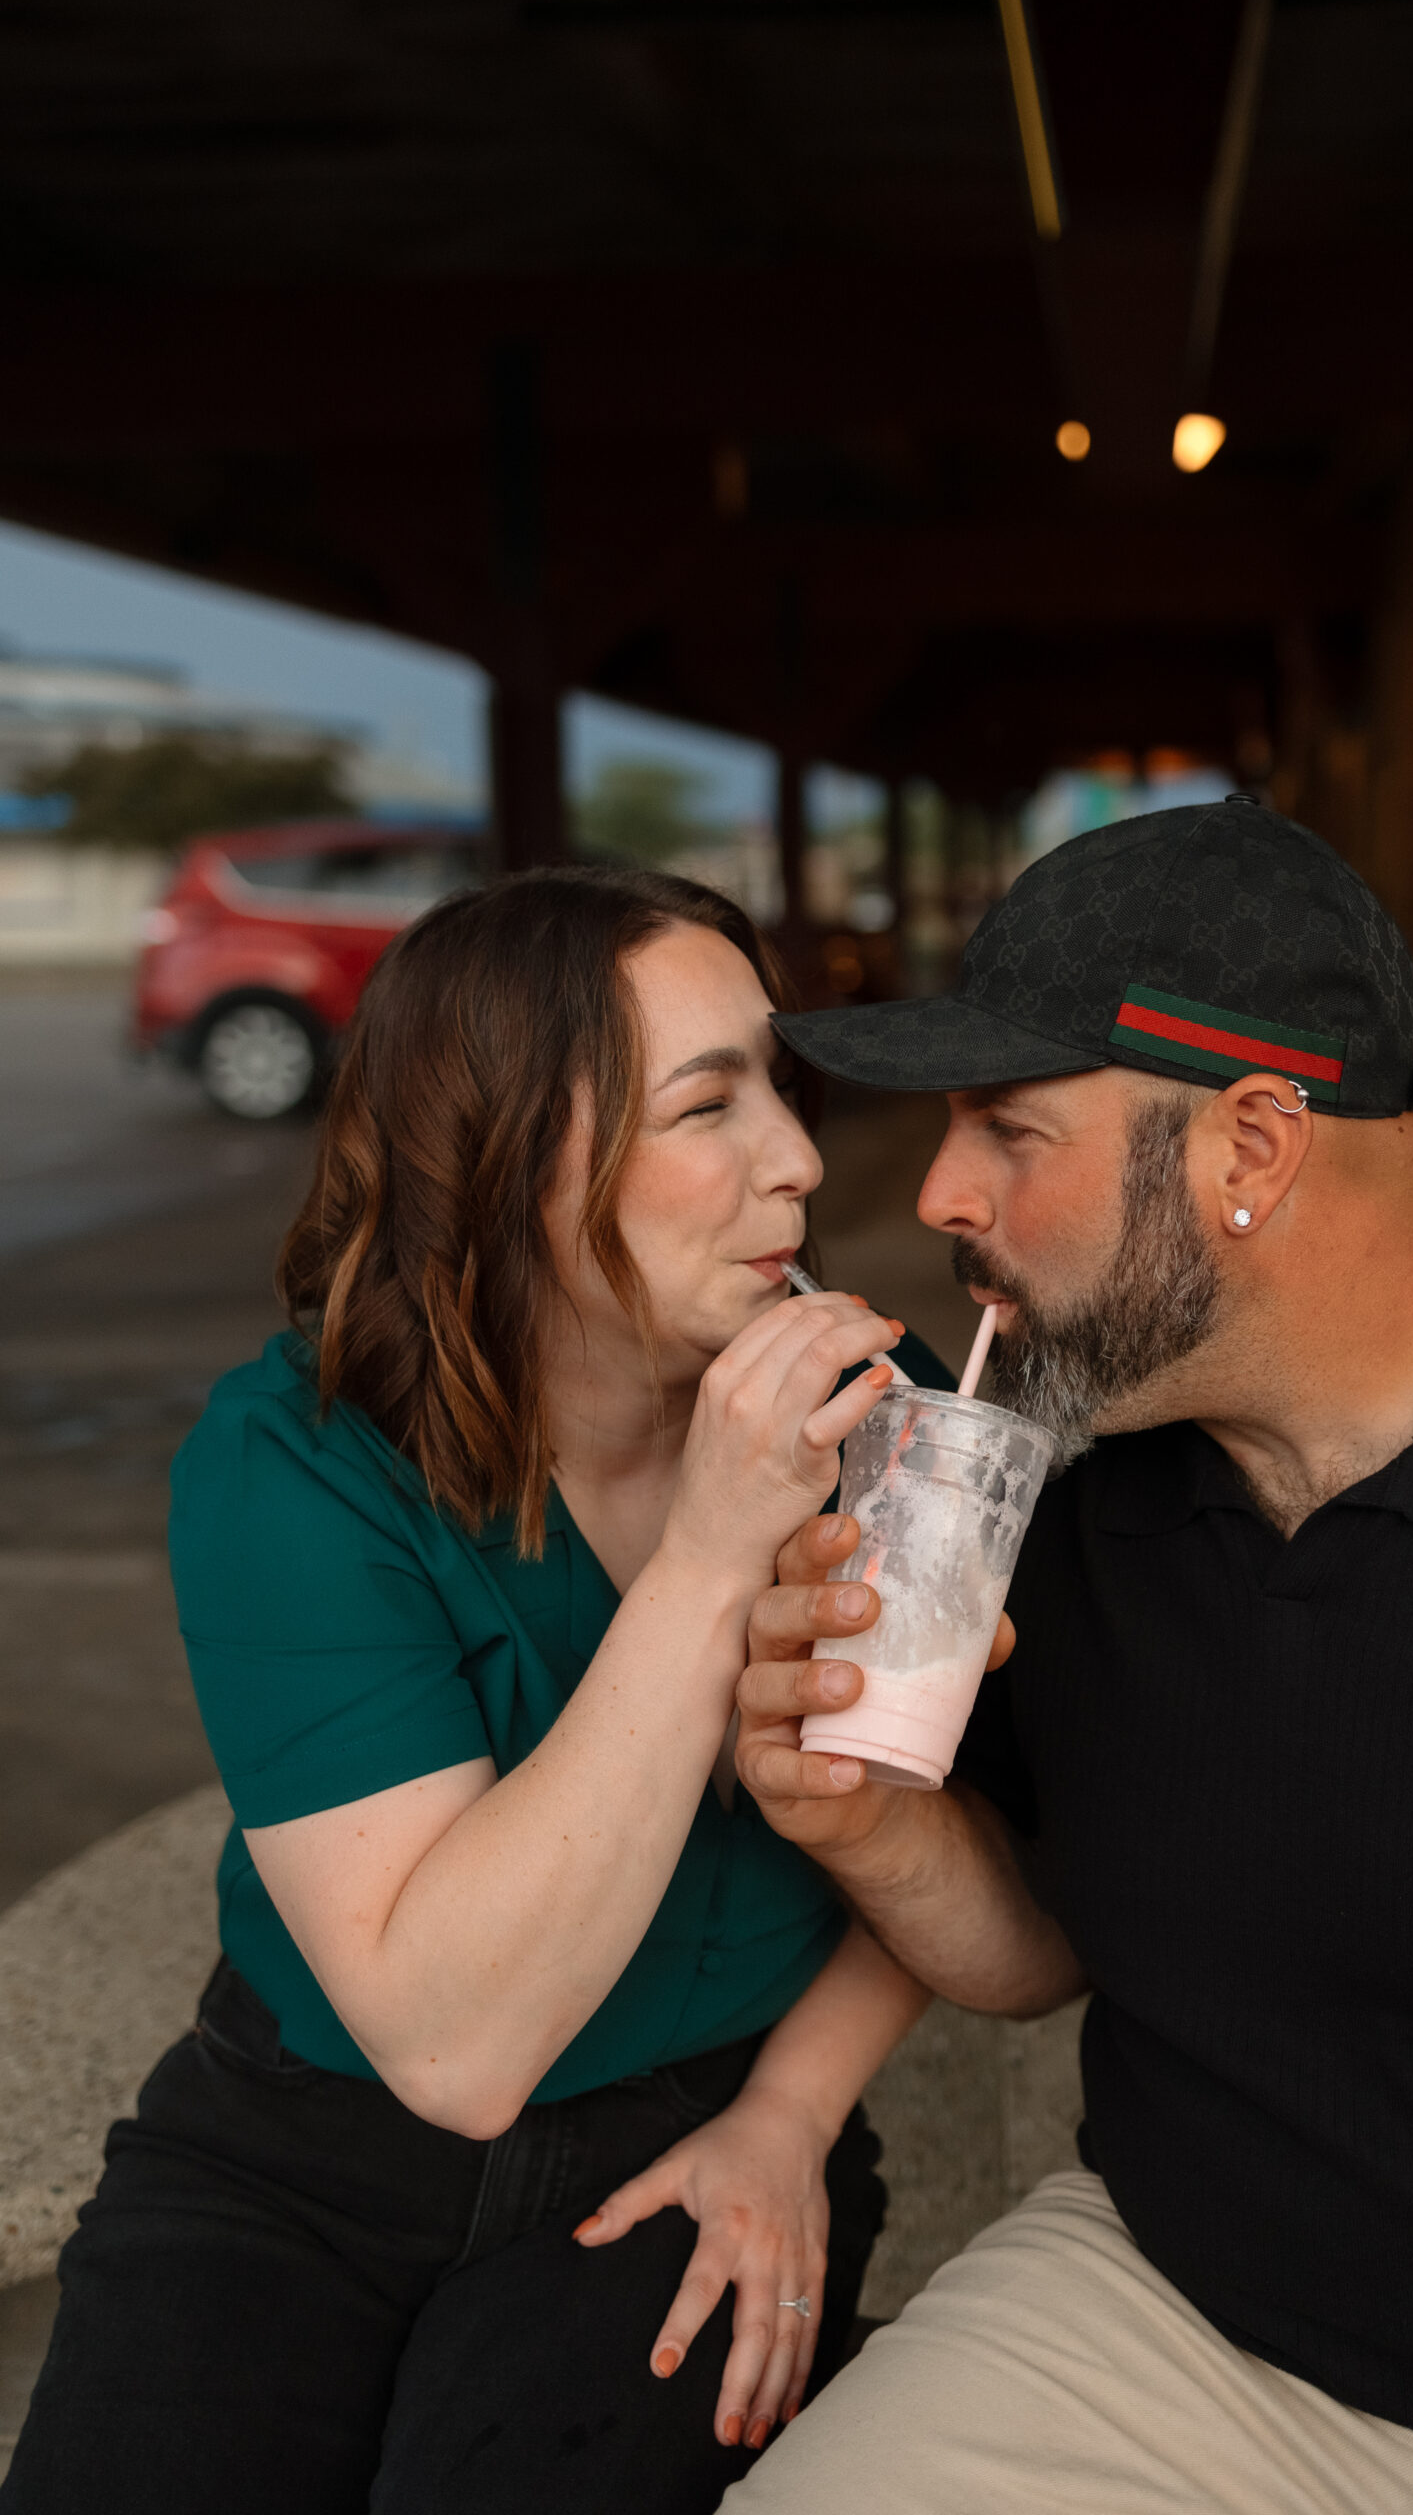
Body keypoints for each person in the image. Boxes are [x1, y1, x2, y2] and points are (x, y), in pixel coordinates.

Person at [721, 794, 1413, 2515]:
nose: (939, 1190)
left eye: (1010, 1130)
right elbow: (1040, 1949)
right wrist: (868, 1821)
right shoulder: (1088, 1484)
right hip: (1179, 2323)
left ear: (1252, 1149)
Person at [1, 867, 949, 2515]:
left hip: (705, 2125)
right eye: (708, 1104)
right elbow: (454, 2050)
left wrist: (795, 2114)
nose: (799, 1158)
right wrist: (714, 1563)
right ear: (505, 1161)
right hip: (310, 2145)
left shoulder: (888, 1418)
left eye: (779, 1086)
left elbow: (964, 1832)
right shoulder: (295, 1461)